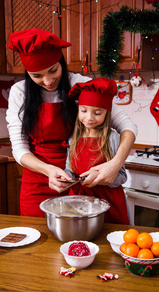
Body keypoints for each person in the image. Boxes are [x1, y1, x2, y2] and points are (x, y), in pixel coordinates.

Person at [6, 28, 137, 217]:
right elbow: (19, 149)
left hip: (81, 183)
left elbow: (128, 126)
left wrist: (116, 164)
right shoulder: (20, 92)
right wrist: (48, 170)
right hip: (38, 180)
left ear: (61, 62)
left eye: (53, 70)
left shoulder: (81, 84)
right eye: (37, 76)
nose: (48, 80)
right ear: (28, 73)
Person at [65, 78, 130, 224]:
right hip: (79, 202)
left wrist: (101, 178)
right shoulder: (73, 139)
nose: (89, 117)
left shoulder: (112, 138)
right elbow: (69, 169)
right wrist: (66, 178)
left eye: (97, 113)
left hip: (109, 203)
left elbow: (122, 176)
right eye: (84, 111)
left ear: (107, 113)